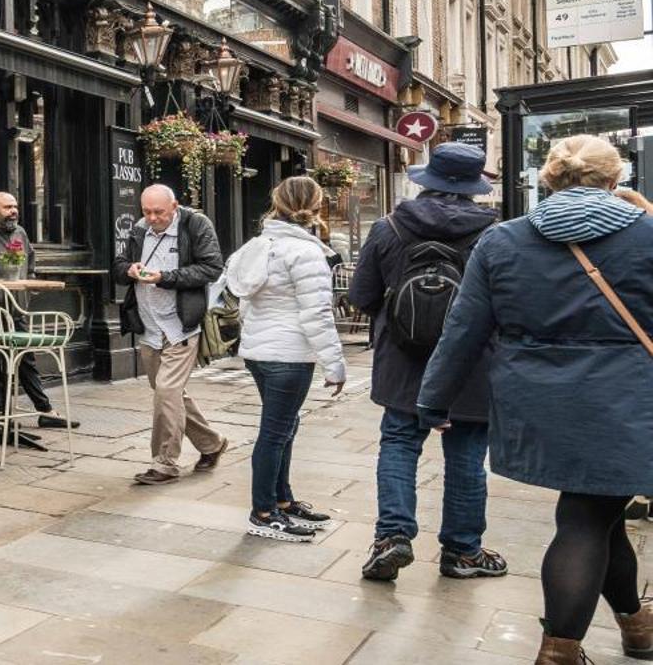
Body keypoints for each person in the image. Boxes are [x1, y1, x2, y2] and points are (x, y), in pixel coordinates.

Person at [419, 135, 653, 665]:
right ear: (616, 180)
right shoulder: (647, 235)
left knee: (597, 510)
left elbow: (463, 330)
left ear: (548, 179)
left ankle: (637, 626)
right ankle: (559, 651)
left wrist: (433, 399)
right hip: (626, 403)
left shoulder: (502, 241)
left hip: (537, 404)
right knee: (587, 518)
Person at [348, 142, 506, 581]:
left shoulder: (388, 228)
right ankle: (463, 551)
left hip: (403, 362)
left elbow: (360, 297)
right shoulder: (496, 235)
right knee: (468, 457)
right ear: (474, 187)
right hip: (470, 366)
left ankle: (392, 537)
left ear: (428, 181)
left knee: (399, 444)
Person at [224, 175, 347, 542]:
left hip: (259, 352)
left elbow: (240, 296)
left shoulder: (256, 246)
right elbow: (317, 314)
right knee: (275, 432)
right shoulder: (306, 252)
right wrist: (335, 363)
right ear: (315, 206)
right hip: (290, 355)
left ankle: (282, 500)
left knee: (284, 427)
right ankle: (263, 512)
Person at [115, 183, 228, 485]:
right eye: (146, 211)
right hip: (149, 327)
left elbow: (212, 268)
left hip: (181, 326)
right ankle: (212, 444)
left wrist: (166, 278)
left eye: (159, 212)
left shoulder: (195, 224)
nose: (152, 218)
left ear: (174, 206)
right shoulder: (139, 229)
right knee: (170, 394)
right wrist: (129, 268)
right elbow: (118, 265)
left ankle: (164, 464)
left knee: (166, 392)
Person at [0, 192, 72, 430]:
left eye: (15, 206)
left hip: (18, 307)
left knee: (25, 358)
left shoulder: (20, 232)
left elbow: (30, 261)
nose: (13, 211)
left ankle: (45, 411)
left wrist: (28, 283)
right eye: (7, 207)